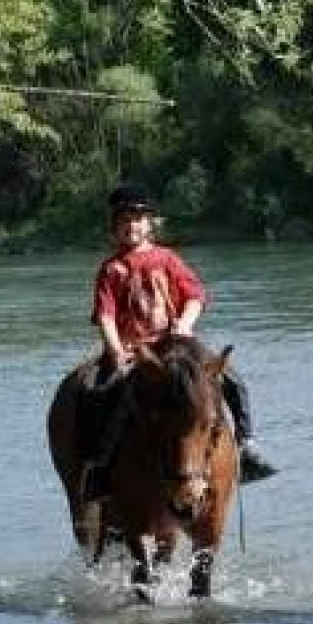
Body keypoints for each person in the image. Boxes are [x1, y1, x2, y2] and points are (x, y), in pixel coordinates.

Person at [77, 184, 277, 501]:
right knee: (101, 396)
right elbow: (106, 316)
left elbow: (196, 296)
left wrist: (184, 323)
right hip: (134, 352)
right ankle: (100, 468)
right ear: (114, 227)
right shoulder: (110, 269)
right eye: (124, 220)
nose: (132, 226)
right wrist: (116, 351)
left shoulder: (167, 259)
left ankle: (246, 445)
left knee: (231, 379)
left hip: (176, 346)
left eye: (139, 219)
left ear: (151, 224)